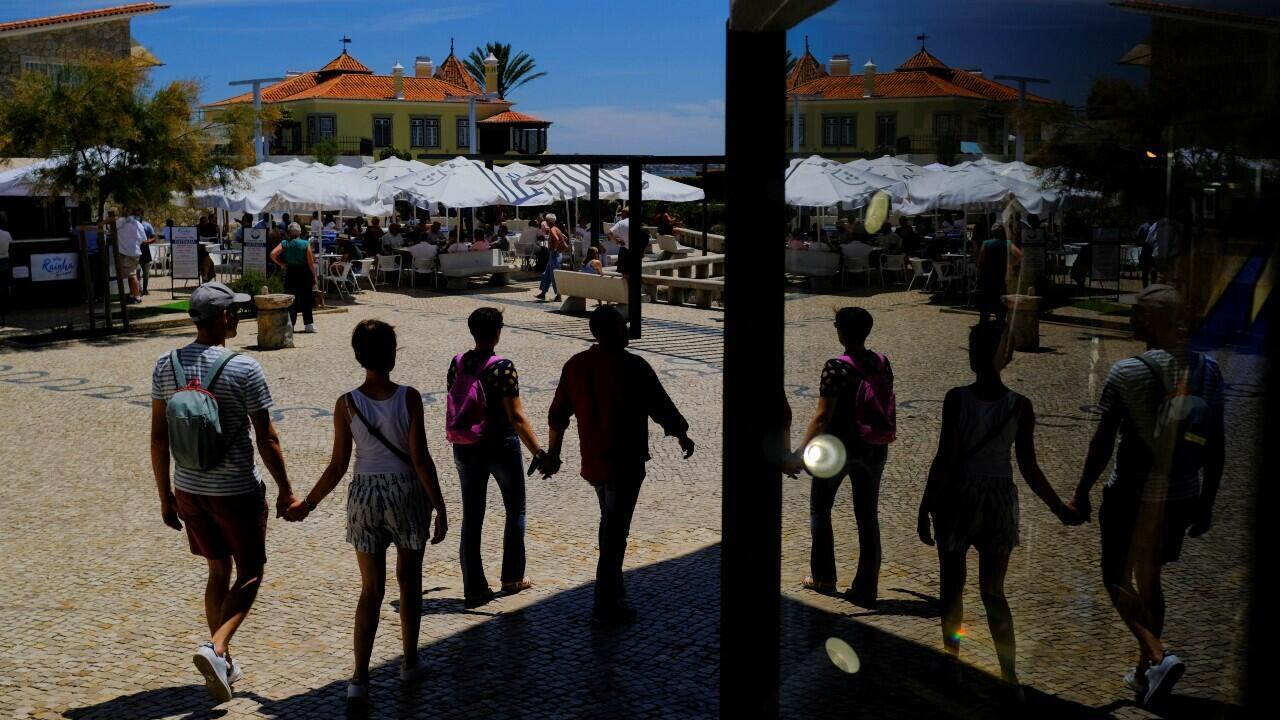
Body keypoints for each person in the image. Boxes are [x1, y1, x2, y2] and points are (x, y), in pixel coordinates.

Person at [1065, 285, 1224, 708]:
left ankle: (1158, 653)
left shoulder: (1125, 372)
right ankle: (1145, 673)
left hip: (1133, 495)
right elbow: (1217, 442)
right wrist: (1207, 500)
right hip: (1183, 495)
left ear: (1154, 321)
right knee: (1150, 578)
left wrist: (1081, 492)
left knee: (1114, 576)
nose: (1131, 320)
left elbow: (1102, 443)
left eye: (1137, 313)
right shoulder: (1208, 370)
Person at [149, 282, 299, 703]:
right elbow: (266, 437)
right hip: (235, 490)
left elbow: (159, 438)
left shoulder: (166, 365)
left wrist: (165, 495)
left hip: (189, 488)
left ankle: (223, 662)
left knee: (218, 572)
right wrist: (287, 489)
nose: (237, 317)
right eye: (232, 312)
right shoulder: (243, 367)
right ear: (220, 318)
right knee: (250, 571)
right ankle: (215, 648)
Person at [285, 320, 448, 705]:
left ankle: (359, 678)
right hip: (406, 492)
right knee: (410, 582)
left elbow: (338, 465)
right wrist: (439, 505)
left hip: (364, 495)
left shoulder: (346, 404)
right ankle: (409, 661)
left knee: (370, 591)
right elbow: (421, 459)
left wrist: (307, 504)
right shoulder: (408, 398)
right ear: (392, 353)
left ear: (359, 356)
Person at [917, 320, 1076, 700]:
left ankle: (953, 663)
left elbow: (946, 457)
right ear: (1006, 357)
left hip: (958, 498)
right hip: (1000, 500)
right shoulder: (1020, 407)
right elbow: (1029, 466)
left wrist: (925, 505)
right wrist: (1058, 508)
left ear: (973, 356)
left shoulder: (957, 399)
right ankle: (1009, 676)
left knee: (952, 589)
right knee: (994, 593)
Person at [543, 306, 695, 625]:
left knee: (609, 522)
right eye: (622, 326)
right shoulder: (633, 366)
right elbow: (660, 404)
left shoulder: (576, 366)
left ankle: (615, 591)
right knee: (615, 532)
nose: (628, 330)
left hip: (595, 463)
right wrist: (681, 433)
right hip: (625, 463)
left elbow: (557, 414)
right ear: (610, 331)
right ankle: (605, 604)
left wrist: (553, 454)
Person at [789, 307, 894, 607]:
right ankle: (866, 586)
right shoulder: (882, 363)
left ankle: (823, 577)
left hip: (837, 449)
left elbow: (822, 417)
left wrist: (800, 453)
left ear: (842, 332)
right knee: (867, 516)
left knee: (820, 510)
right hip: (873, 447)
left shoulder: (836, 367)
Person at [446, 308, 545, 607]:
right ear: (498, 331)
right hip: (501, 445)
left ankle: (474, 587)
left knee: (472, 516)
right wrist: (539, 452)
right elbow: (516, 416)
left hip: (465, 445)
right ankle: (512, 577)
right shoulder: (503, 367)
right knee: (515, 510)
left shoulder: (458, 362)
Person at [270, 223, 317, 333]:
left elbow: (272, 254)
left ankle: (291, 324)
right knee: (306, 298)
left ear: (289, 232)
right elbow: (310, 262)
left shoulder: (285, 243)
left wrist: (281, 264)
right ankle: (308, 325)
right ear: (300, 232)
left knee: (291, 299)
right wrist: (313, 275)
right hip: (304, 272)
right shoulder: (305, 243)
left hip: (290, 272)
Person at [976, 226, 1014, 324]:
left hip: (987, 276)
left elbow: (980, 262)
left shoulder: (986, 243)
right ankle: (1000, 323)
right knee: (1000, 301)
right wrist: (1010, 264)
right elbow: (1020, 256)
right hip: (1001, 276)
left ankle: (984, 324)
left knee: (986, 302)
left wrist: (978, 276)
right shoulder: (1008, 243)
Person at [535, 212, 568, 302]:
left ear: (548, 221)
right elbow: (565, 238)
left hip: (554, 255)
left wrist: (555, 249)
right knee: (547, 274)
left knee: (554, 276)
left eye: (545, 220)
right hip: (555, 255)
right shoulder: (557, 228)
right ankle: (543, 293)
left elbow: (557, 239)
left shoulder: (553, 229)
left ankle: (558, 296)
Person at [116, 210, 147, 304]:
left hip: (126, 252)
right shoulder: (138, 223)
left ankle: (137, 297)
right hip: (136, 252)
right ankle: (133, 295)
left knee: (131, 275)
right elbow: (143, 239)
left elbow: (109, 229)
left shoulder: (120, 221)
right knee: (132, 275)